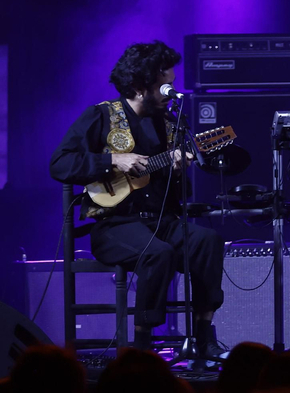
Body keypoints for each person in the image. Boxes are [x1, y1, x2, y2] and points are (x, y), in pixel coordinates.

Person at [49, 40, 225, 354]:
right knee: (158, 254)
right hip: (114, 226)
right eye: (165, 86)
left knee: (207, 241)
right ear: (141, 87)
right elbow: (60, 163)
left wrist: (179, 171)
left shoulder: (171, 125)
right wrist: (112, 161)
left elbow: (181, 195)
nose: (171, 91)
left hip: (163, 222)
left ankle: (203, 336)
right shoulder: (101, 116)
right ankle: (142, 346)